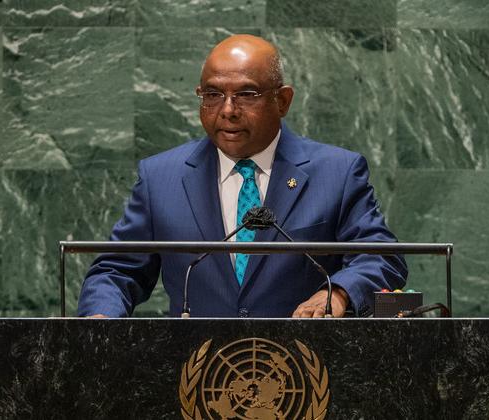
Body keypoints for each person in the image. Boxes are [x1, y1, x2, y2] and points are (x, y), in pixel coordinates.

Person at [78, 34, 407, 318]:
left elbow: (381, 258)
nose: (227, 110)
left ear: (282, 100)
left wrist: (338, 293)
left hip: (304, 364)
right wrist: (100, 317)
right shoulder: (161, 178)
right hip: (196, 366)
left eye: (247, 95)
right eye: (213, 95)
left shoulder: (336, 172)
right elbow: (117, 271)